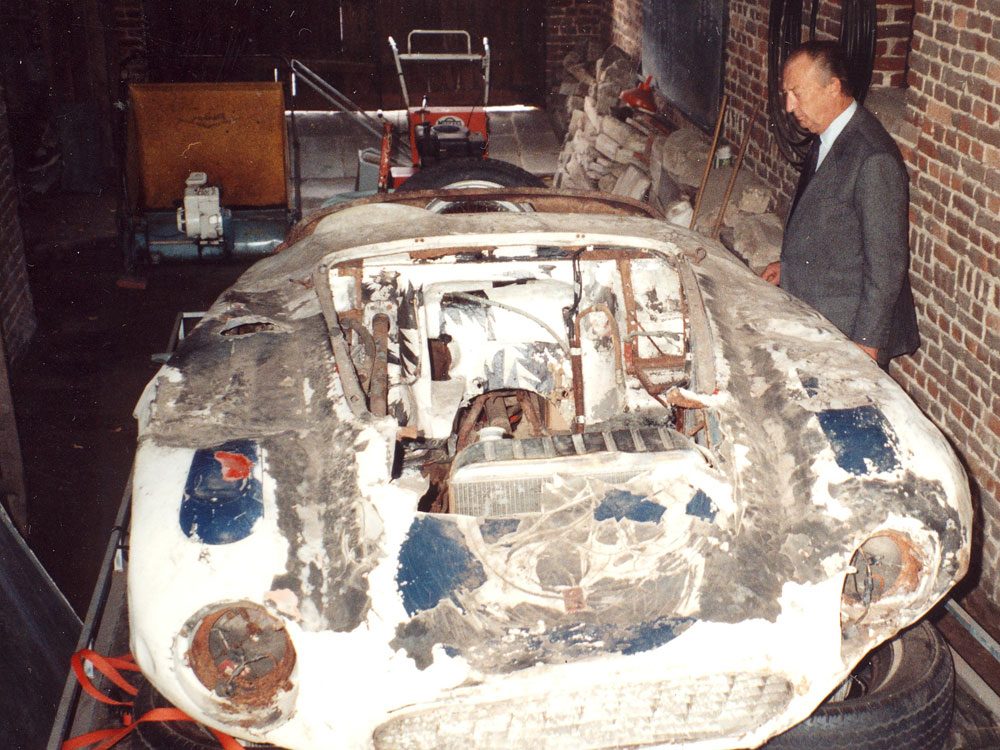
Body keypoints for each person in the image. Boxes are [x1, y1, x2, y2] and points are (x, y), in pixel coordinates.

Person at [762, 40, 919, 368]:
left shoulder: (872, 157)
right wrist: (790, 268)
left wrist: (867, 345)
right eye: (787, 94)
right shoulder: (828, 137)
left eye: (797, 93)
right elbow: (832, 228)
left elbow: (886, 266)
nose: (789, 106)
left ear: (833, 87)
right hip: (818, 317)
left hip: (846, 331)